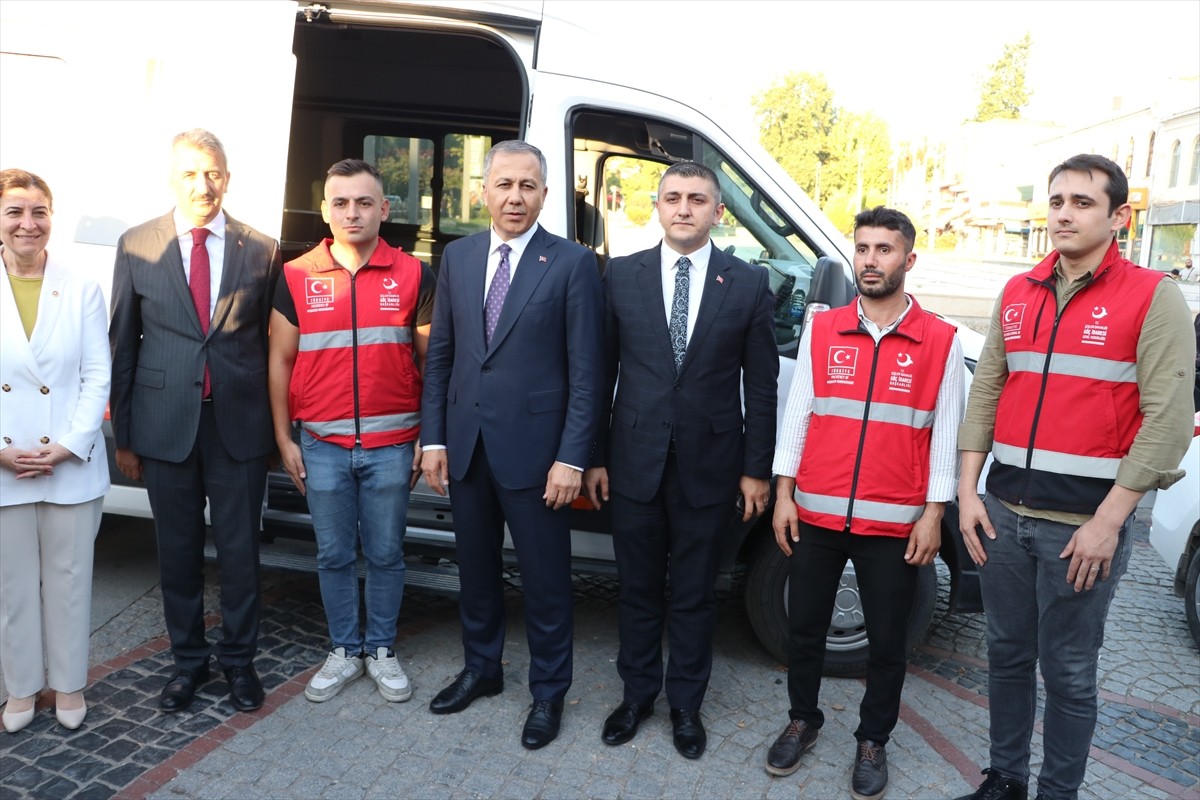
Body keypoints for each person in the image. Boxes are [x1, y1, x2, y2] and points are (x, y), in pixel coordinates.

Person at [955, 154, 1195, 800]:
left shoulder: (1153, 297)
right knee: (1006, 656)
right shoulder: (1018, 291)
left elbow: (1168, 421)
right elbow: (987, 392)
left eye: (1082, 202)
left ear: (1119, 216)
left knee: (1067, 671)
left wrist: (1109, 523)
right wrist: (968, 493)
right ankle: (1005, 779)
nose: (1064, 213)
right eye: (1057, 200)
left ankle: (1057, 792)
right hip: (1002, 515)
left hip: (1081, 530)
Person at [762, 206, 963, 798]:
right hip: (817, 512)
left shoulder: (941, 341)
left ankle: (873, 739)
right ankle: (802, 720)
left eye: (884, 249)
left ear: (909, 259)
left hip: (894, 523)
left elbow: (945, 436)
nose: (870, 261)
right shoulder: (824, 329)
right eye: (863, 248)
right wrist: (784, 493)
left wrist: (933, 514)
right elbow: (798, 415)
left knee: (888, 643)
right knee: (804, 629)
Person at [582, 162, 778, 760]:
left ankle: (686, 706)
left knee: (694, 594)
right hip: (632, 462)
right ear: (658, 207)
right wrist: (594, 456)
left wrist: (756, 470)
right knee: (637, 589)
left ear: (718, 211)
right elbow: (600, 373)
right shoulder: (621, 274)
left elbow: (762, 385)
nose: (684, 208)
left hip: (711, 467)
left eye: (697, 199)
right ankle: (637, 696)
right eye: (673, 198)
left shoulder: (748, 283)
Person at [420, 140, 604, 749]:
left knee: (546, 584)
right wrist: (433, 438)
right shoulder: (459, 256)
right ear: (484, 192)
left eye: (528, 186)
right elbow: (442, 355)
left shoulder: (572, 264)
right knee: (475, 572)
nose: (515, 197)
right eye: (504, 185)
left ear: (545, 194)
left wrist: (572, 457)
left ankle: (548, 693)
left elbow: (588, 374)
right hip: (467, 447)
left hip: (540, 457)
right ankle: (482, 668)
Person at [109, 129, 282, 714]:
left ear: (227, 178)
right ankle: (188, 662)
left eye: (212, 173)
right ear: (171, 179)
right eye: (189, 173)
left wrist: (276, 434)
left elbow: (273, 348)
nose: (202, 185)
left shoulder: (262, 248)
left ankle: (239, 662)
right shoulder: (137, 244)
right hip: (164, 428)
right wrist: (125, 435)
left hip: (239, 429)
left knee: (240, 556)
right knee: (177, 554)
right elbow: (123, 344)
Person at [269, 159, 434, 704]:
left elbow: (432, 364)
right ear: (326, 210)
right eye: (340, 202)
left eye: (364, 202)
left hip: (393, 446)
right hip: (321, 445)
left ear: (384, 209)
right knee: (333, 555)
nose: (352, 212)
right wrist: (285, 439)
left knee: (386, 553)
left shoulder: (414, 275)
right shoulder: (296, 275)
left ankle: (380, 648)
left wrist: (427, 436)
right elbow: (280, 361)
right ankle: (344, 649)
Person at [0, 170, 110, 733]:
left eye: (38, 211)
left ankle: (68, 684)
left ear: (51, 217)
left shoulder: (82, 287)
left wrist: (68, 445)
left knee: (69, 582)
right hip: (4, 466)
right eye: (15, 211)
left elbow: (97, 375)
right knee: (12, 586)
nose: (28, 223)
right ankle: (20, 689)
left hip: (69, 464)